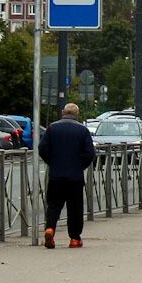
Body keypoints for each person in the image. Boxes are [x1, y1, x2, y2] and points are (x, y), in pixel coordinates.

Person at [39, 103, 96, 249]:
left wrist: (52, 162)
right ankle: (75, 239)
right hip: (75, 177)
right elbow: (90, 153)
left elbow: (43, 148)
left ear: (63, 113)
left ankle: (50, 229)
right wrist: (79, 166)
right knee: (75, 208)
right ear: (77, 114)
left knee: (53, 205)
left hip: (56, 175)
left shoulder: (52, 128)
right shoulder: (83, 131)